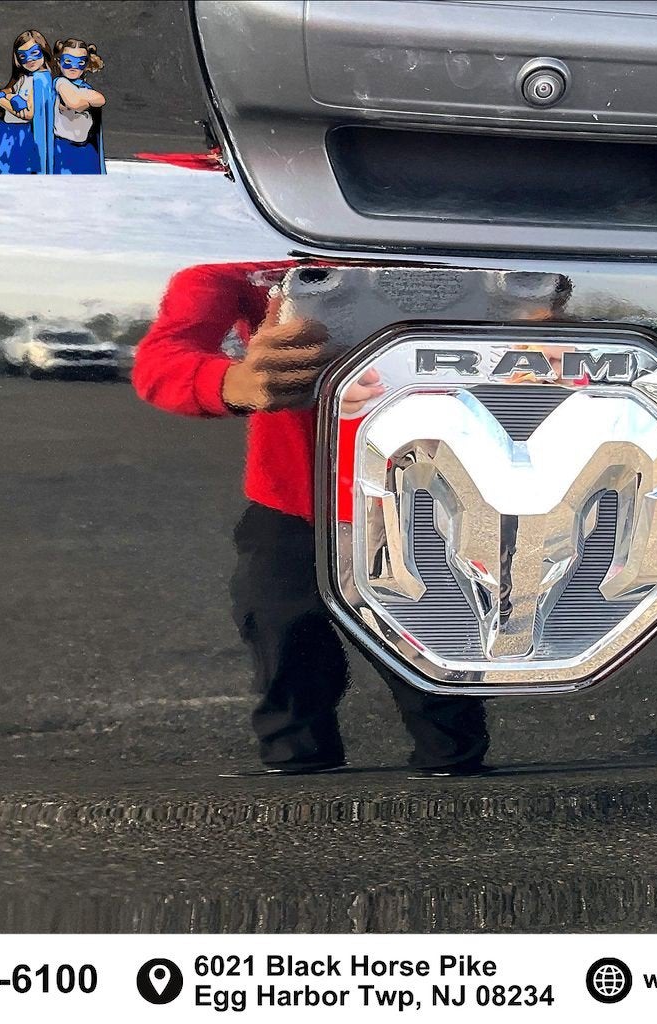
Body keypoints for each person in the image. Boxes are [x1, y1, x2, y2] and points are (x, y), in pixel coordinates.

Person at [131, 263, 490, 775]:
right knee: (286, 648)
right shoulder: (252, 278)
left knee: (431, 660)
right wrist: (236, 380)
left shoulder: (468, 275)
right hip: (296, 503)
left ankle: (458, 780)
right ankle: (301, 779)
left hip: (417, 495)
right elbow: (161, 360)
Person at [0, 30, 57, 174]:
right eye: (23, 56)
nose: (29, 59)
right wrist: (10, 98)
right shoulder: (25, 77)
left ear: (43, 50)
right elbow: (7, 91)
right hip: (8, 132)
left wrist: (3, 101)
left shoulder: (40, 80)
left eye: (34, 53)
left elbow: (28, 113)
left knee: (14, 171)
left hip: (21, 136)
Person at [51, 38, 106, 174]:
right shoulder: (60, 82)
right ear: (59, 62)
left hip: (85, 147)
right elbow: (75, 103)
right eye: (68, 61)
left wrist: (81, 97)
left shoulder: (84, 86)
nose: (74, 67)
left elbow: (100, 99)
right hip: (62, 148)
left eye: (80, 62)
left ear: (86, 64)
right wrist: (85, 100)